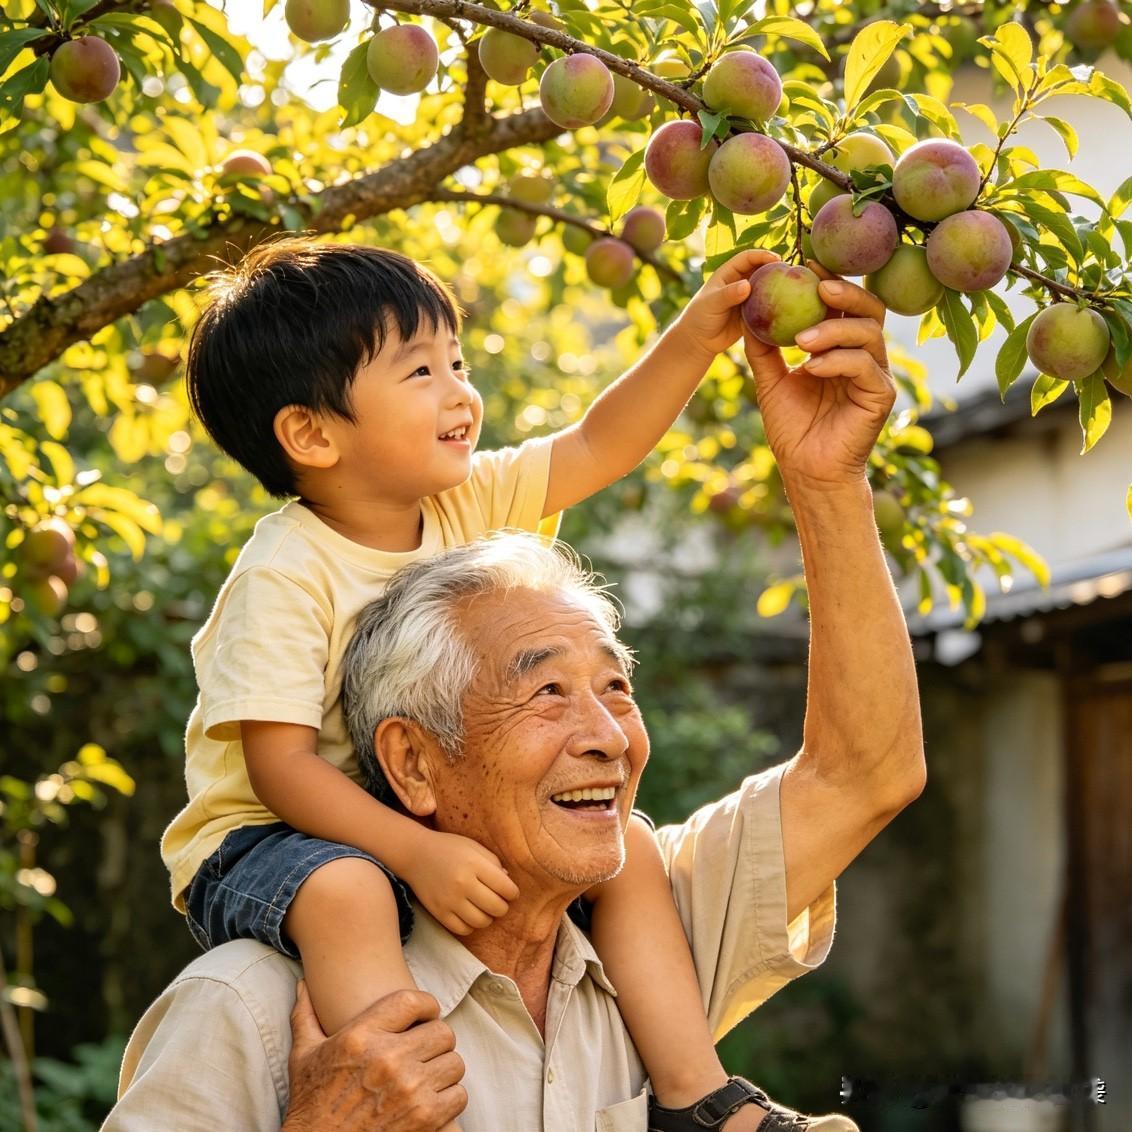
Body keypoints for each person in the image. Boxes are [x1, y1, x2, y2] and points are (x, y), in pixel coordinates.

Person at [105, 268, 925, 1132]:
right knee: (345, 893)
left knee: (634, 853)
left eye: (616, 685)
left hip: (393, 837)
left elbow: (595, 446)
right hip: (269, 839)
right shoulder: (283, 576)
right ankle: (404, 1079)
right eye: (421, 372)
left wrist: (705, 341)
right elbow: (279, 768)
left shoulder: (624, 931)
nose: (607, 735)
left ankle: (709, 1105)